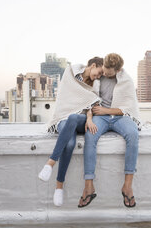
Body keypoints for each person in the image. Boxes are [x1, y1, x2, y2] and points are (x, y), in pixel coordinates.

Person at [78, 53, 141, 208]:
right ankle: (88, 186)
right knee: (90, 136)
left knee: (133, 135)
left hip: (119, 116)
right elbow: (89, 99)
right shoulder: (99, 77)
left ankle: (127, 186)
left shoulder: (126, 81)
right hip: (100, 117)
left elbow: (128, 108)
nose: (105, 74)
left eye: (109, 73)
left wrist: (106, 111)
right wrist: (90, 117)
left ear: (118, 70)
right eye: (104, 70)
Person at [38, 57, 103, 207]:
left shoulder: (96, 85)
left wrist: (89, 118)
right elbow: (65, 98)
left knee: (74, 117)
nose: (98, 76)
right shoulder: (71, 72)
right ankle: (59, 187)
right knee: (70, 143)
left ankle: (50, 163)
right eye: (98, 72)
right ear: (93, 65)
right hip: (62, 117)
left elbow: (91, 104)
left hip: (81, 120)